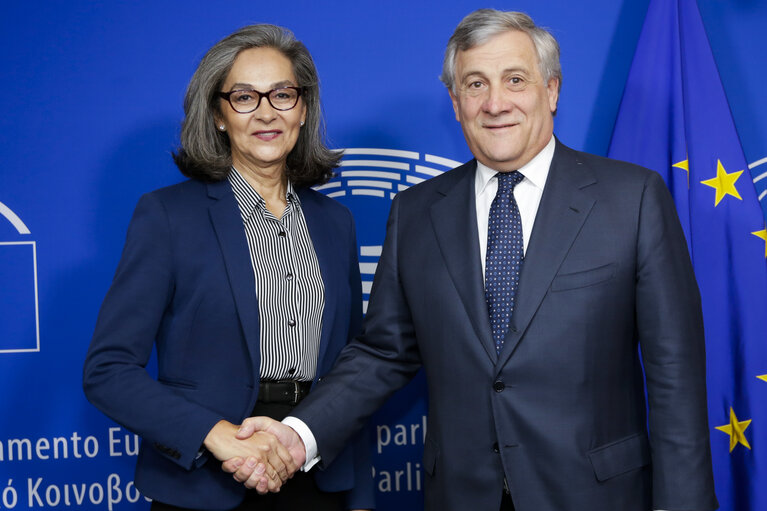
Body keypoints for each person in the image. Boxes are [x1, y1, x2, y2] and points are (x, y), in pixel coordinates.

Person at [225, 9, 719, 511]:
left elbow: (674, 378)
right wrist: (298, 435)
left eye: (515, 80)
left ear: (551, 90)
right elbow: (383, 353)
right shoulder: (417, 213)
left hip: (596, 495)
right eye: (475, 84)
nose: (495, 102)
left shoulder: (631, 199)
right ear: (456, 102)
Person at [82, 24, 374, 511]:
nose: (265, 112)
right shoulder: (168, 216)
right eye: (244, 97)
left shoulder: (335, 222)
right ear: (219, 115)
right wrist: (216, 436)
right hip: (204, 480)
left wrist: (357, 493)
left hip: (317, 468)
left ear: (303, 109)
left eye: (282, 94)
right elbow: (107, 372)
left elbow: (354, 367)